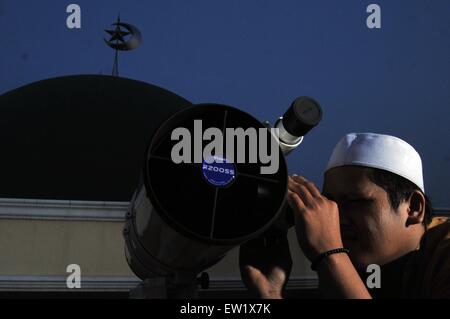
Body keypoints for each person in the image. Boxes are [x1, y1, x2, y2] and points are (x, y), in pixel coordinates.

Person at [239, 133, 450, 298]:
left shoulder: (444, 253)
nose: (336, 219)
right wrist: (270, 294)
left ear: (413, 207)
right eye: (329, 203)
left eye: (357, 202)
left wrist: (330, 254)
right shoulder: (362, 269)